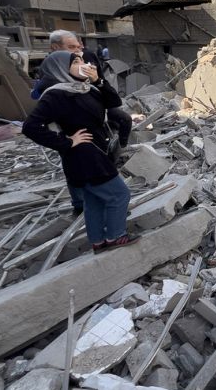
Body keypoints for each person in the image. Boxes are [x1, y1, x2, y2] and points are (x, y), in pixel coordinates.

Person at [23, 51, 139, 253]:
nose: (83, 64)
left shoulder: (86, 89)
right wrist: (67, 141)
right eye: (75, 62)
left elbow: (113, 103)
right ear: (60, 69)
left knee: (94, 201)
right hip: (84, 156)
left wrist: (99, 80)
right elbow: (30, 127)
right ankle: (116, 236)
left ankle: (98, 241)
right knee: (120, 194)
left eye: (81, 60)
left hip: (96, 151)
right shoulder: (55, 94)